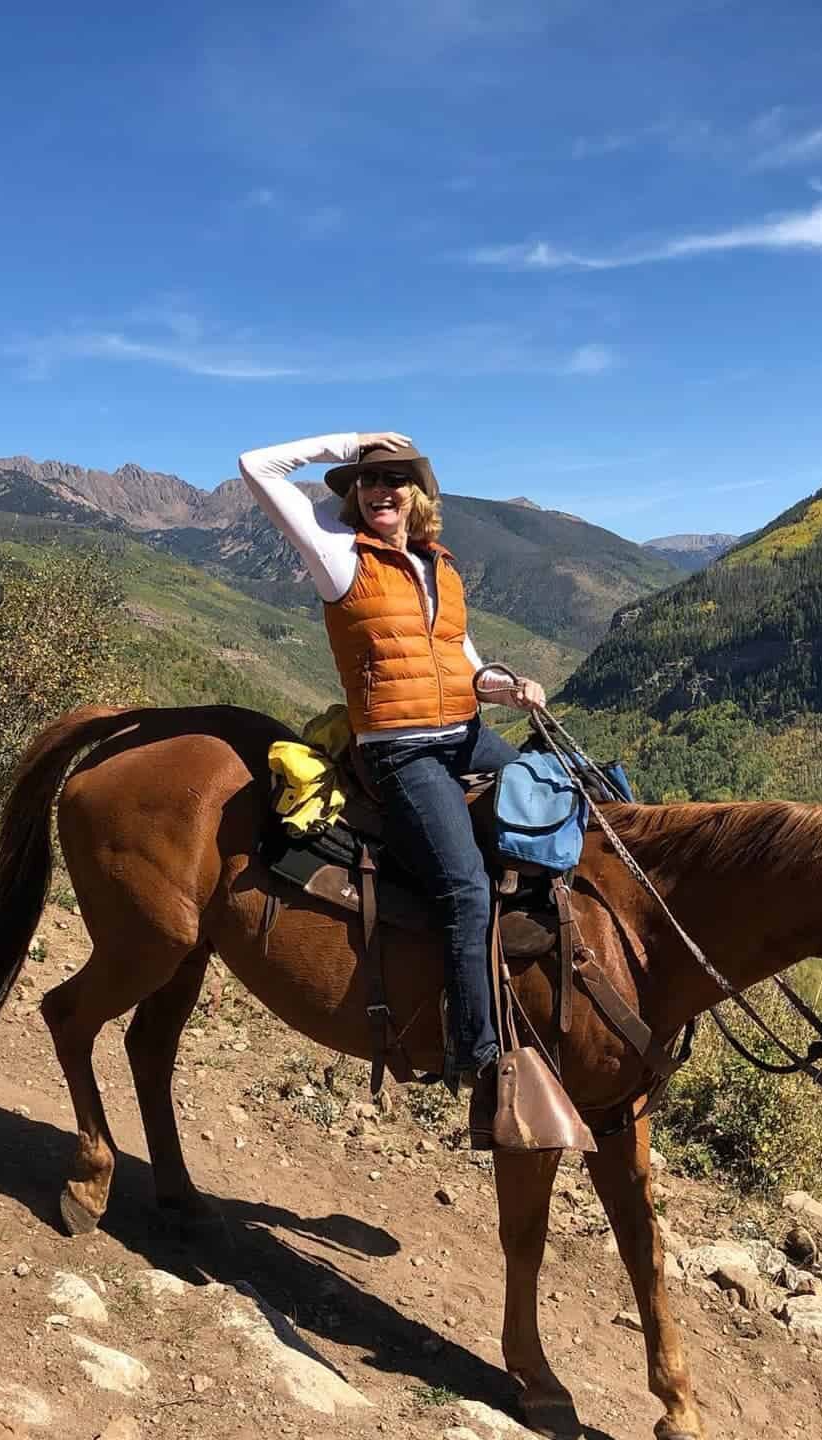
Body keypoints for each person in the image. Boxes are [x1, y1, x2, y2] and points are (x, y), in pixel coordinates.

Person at [238, 431, 548, 1145]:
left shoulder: (439, 566)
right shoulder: (336, 554)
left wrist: (512, 688)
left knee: (566, 802)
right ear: (353, 495)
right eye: (368, 481)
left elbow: (466, 667)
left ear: (417, 496)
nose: (381, 491)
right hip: (400, 752)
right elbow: (258, 465)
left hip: (467, 733)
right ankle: (478, 1053)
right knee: (465, 885)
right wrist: (351, 440)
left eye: (395, 481)